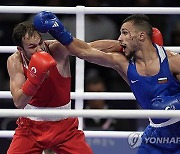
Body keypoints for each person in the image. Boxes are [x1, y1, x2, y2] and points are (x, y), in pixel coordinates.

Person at [33, 11, 180, 153]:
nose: (120, 38)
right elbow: (84, 51)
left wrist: (174, 104)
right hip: (156, 138)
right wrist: (59, 31)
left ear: (141, 36)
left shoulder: (173, 62)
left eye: (125, 32)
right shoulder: (122, 63)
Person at [7, 20, 93, 154]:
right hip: (30, 127)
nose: (39, 49)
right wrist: (34, 80)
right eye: (32, 46)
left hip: (65, 126)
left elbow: (88, 48)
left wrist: (119, 46)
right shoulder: (15, 61)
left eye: (40, 42)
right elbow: (18, 102)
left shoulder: (56, 48)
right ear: (20, 49)